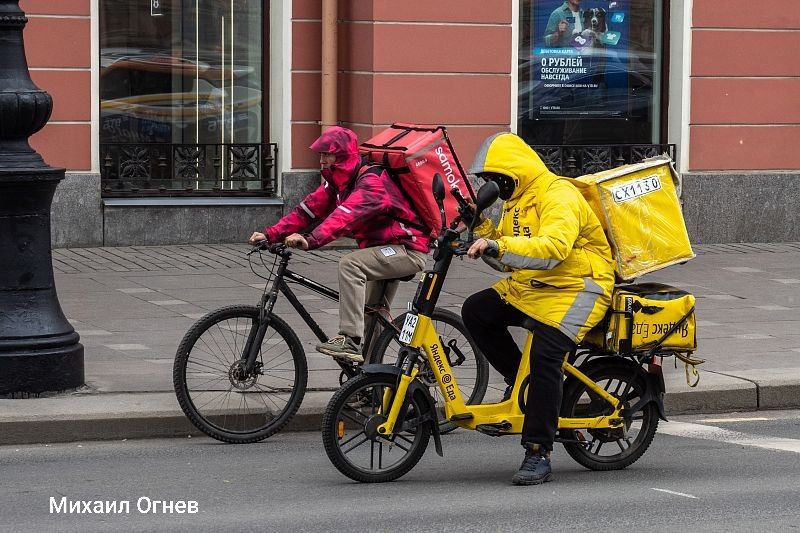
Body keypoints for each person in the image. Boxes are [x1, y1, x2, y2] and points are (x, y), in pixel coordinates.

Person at [461, 132, 615, 486]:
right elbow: (509, 258)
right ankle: (522, 383)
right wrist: (480, 229)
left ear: (512, 174)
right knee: (477, 310)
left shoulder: (558, 194)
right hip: (535, 284)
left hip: (579, 287)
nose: (491, 187)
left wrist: (496, 245)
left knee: (547, 355)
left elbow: (552, 248)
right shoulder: (518, 198)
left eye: (493, 180)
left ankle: (538, 452)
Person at [249, 127, 429, 363]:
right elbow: (307, 209)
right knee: (371, 317)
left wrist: (311, 239)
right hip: (381, 251)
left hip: (407, 250)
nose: (322, 160)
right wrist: (270, 235)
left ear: (343, 155)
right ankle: (369, 386)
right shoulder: (338, 182)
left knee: (350, 265)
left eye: (327, 154)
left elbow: (346, 215)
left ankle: (350, 339)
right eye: (321, 155)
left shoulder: (372, 182)